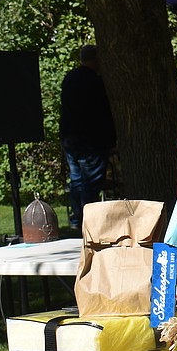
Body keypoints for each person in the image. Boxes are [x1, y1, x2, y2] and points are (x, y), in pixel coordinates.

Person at [59, 44, 116, 231]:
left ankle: (77, 219)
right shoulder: (95, 82)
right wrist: (110, 140)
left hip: (70, 139)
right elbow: (101, 114)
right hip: (91, 140)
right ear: (96, 59)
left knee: (76, 180)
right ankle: (88, 220)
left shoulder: (69, 79)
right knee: (90, 184)